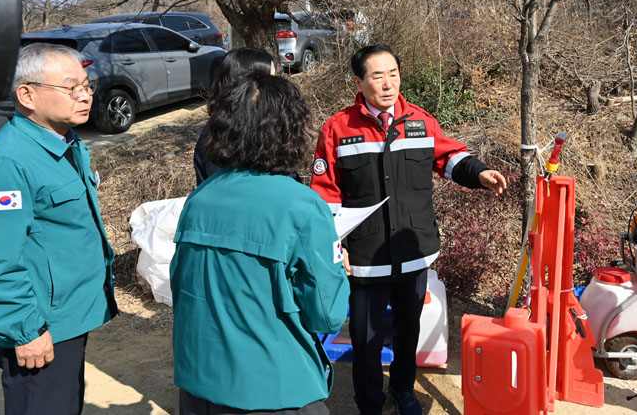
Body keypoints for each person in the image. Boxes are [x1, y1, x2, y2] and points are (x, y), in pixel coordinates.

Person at [310, 44, 507, 415]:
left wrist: (479, 172)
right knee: (366, 338)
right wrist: (338, 249)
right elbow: (325, 196)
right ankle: (369, 402)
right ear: (359, 81)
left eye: (393, 74)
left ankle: (402, 388)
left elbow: (450, 157)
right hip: (365, 258)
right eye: (377, 75)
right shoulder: (338, 129)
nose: (388, 84)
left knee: (408, 329)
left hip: (412, 250)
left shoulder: (420, 121)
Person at [171, 70, 349, 415]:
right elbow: (327, 315)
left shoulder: (200, 198)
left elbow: (184, 287)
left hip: (199, 380)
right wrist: (338, 270)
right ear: (290, 130)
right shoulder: (301, 204)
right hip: (273, 386)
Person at [0, 43, 118, 415]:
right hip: (39, 327)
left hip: (65, 320)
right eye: (70, 88)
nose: (85, 96)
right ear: (27, 95)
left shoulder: (65, 142)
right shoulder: (8, 163)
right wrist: (24, 330)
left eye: (87, 85)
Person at [193, 46, 276, 185]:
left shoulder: (263, 122)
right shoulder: (223, 137)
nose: (279, 87)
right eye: (272, 80)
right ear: (249, 85)